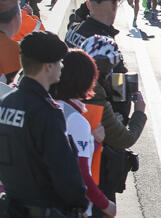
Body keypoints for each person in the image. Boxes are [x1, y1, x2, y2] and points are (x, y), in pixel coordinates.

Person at [0, 31, 89, 215]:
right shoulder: (46, 111)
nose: (62, 66)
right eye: (59, 61)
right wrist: (79, 202)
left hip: (10, 208)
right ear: (48, 67)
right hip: (42, 209)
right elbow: (63, 169)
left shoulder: (6, 103)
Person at [80, 35, 146, 214]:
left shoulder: (64, 88)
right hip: (95, 176)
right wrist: (139, 112)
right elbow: (126, 138)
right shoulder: (98, 98)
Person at [50, 49, 117, 217]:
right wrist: (106, 205)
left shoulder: (47, 106)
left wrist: (92, 142)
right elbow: (82, 175)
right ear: (87, 81)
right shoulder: (76, 120)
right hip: (68, 207)